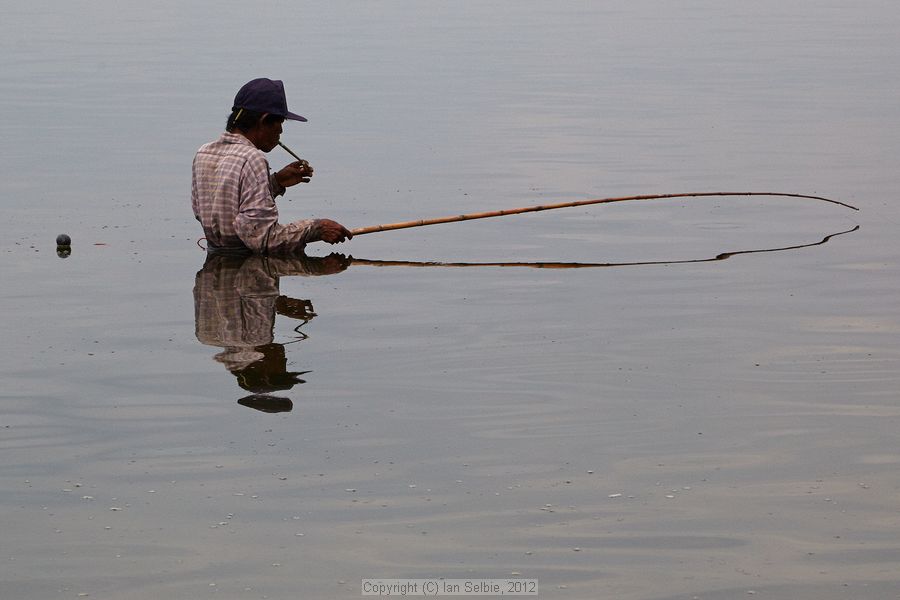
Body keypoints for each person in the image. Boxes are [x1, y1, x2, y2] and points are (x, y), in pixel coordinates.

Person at [192, 78, 352, 254]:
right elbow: (265, 239)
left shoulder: (203, 153)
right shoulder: (252, 159)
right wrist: (316, 228)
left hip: (213, 269)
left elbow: (219, 211)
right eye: (280, 123)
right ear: (264, 120)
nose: (281, 131)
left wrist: (275, 183)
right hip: (249, 273)